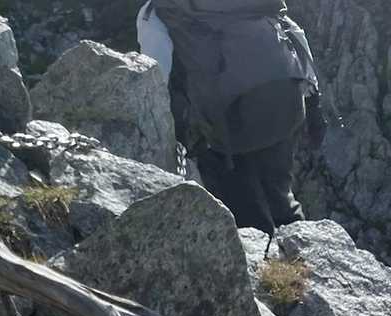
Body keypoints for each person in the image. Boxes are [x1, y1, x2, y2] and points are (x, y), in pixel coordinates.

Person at [137, 0, 324, 233]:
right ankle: (300, 247)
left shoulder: (157, 12)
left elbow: (157, 78)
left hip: (229, 120)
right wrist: (314, 102)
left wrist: (170, 135)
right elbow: (290, 28)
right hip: (285, 96)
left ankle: (260, 249)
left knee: (240, 211)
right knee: (279, 195)